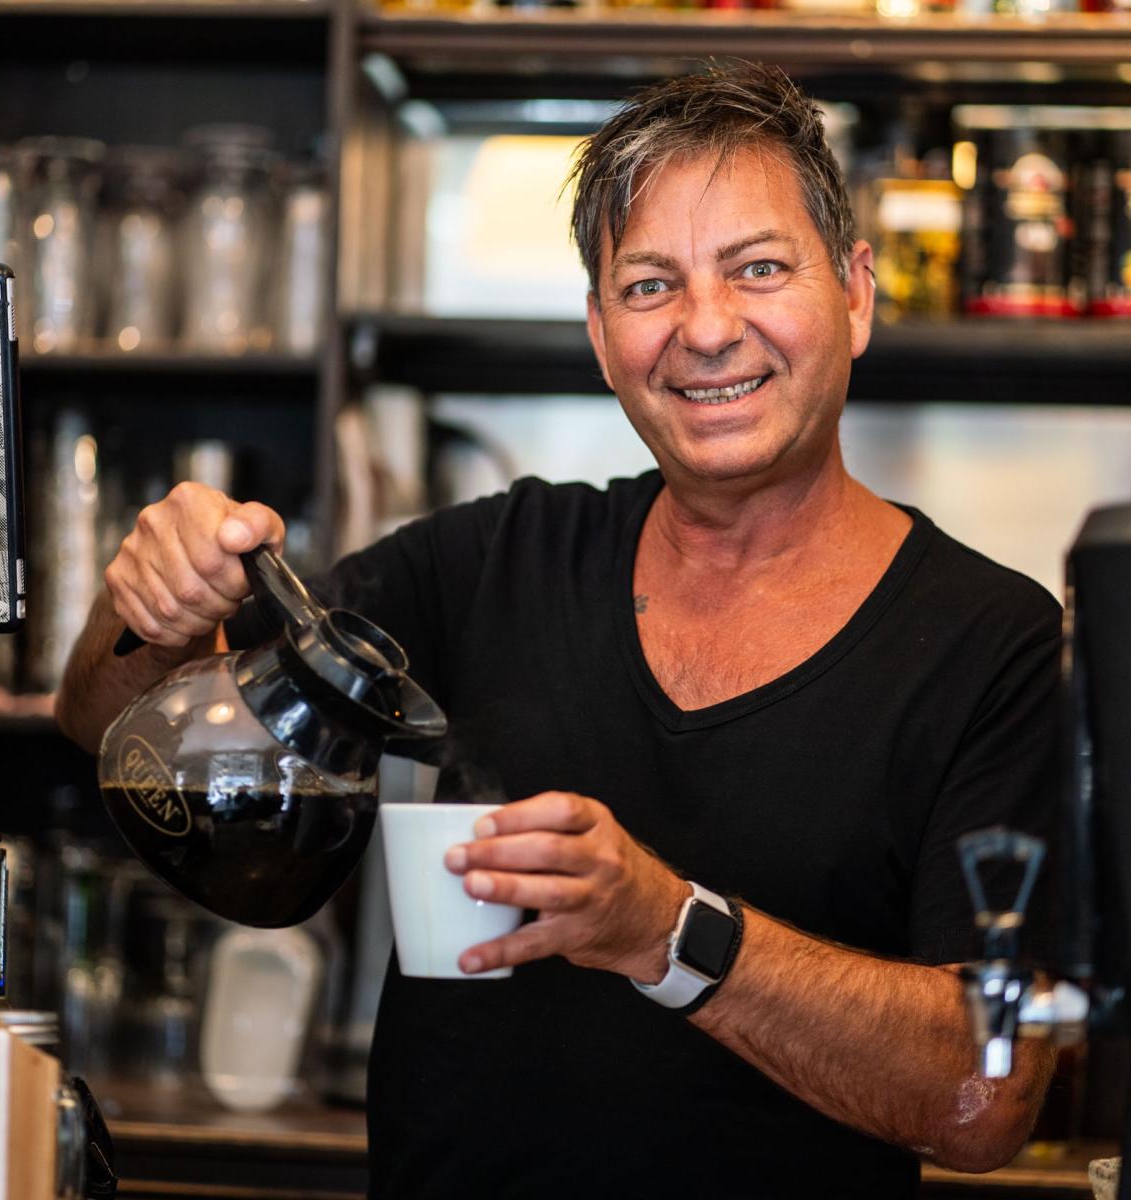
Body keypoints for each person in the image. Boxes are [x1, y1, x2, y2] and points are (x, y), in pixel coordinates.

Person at [56, 61, 1060, 1198]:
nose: (707, 329)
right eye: (649, 286)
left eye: (759, 269)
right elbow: (112, 726)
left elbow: (990, 1096)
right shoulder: (493, 560)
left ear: (856, 293)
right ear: (599, 333)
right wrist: (152, 610)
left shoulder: (991, 643)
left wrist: (667, 932)